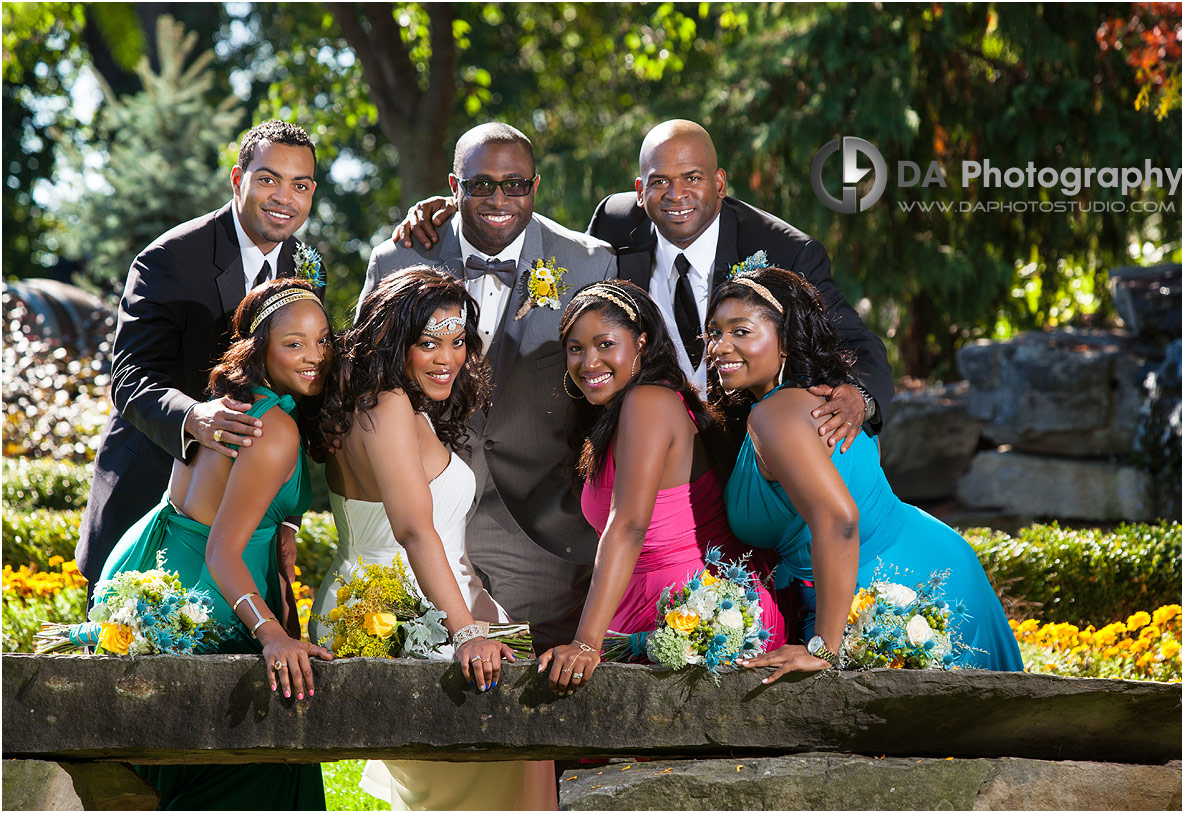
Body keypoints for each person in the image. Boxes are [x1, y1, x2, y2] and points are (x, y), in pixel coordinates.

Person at [392, 119, 893, 452]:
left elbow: (856, 343)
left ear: (719, 183)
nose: (676, 195)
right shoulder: (615, 222)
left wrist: (859, 398)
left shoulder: (784, 250)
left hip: (753, 447)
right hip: (646, 451)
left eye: (692, 178)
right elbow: (526, 225)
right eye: (659, 181)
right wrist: (453, 207)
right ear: (640, 188)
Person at [359, 122, 616, 652]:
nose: (499, 198)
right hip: (424, 514)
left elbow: (609, 395)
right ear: (454, 187)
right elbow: (365, 383)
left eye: (515, 184)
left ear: (535, 185)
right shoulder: (397, 260)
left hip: (543, 533)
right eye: (480, 185)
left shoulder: (589, 262)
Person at [312, 267, 555, 810]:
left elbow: (445, 536)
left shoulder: (398, 404)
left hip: (445, 602)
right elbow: (414, 530)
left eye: (458, 341)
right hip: (391, 609)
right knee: (489, 769)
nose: (448, 358)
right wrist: (467, 632)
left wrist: (489, 614)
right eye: (428, 343)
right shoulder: (384, 406)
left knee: (520, 756)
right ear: (395, 342)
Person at [705, 267, 1023, 679]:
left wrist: (824, 647)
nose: (720, 347)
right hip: (937, 563)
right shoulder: (827, 394)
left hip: (895, 597)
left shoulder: (774, 415)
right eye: (714, 333)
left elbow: (839, 519)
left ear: (785, 341)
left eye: (741, 332)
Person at [98, 278, 335, 808]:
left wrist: (286, 524)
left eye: (323, 340)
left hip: (163, 580)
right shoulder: (274, 431)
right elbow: (223, 551)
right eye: (294, 344)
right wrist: (273, 635)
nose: (315, 356)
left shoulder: (230, 406)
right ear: (260, 350)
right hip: (216, 605)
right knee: (251, 770)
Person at [78, 120, 322, 630]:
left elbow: (303, 387)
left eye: (300, 185)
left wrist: (287, 515)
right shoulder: (170, 259)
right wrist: (194, 416)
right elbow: (129, 377)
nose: (284, 198)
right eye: (268, 180)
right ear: (238, 179)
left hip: (248, 526)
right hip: (156, 508)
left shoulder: (302, 265)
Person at [536, 280, 785, 695]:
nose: (588, 361)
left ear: (642, 344)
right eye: (576, 349)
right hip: (652, 605)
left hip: (696, 617)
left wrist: (585, 642)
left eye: (604, 344)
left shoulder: (647, 402)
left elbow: (629, 526)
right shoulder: (639, 404)